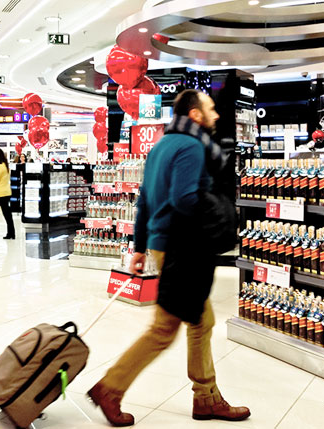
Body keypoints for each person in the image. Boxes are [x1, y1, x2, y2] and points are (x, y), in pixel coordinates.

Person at [87, 90, 250, 426]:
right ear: (195, 115)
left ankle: (206, 397)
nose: (216, 115)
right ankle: (111, 388)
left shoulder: (159, 147)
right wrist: (219, 216)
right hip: (183, 245)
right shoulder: (191, 146)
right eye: (210, 109)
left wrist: (140, 248)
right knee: (165, 328)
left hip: (164, 243)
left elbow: (144, 201)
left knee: (201, 322)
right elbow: (185, 199)